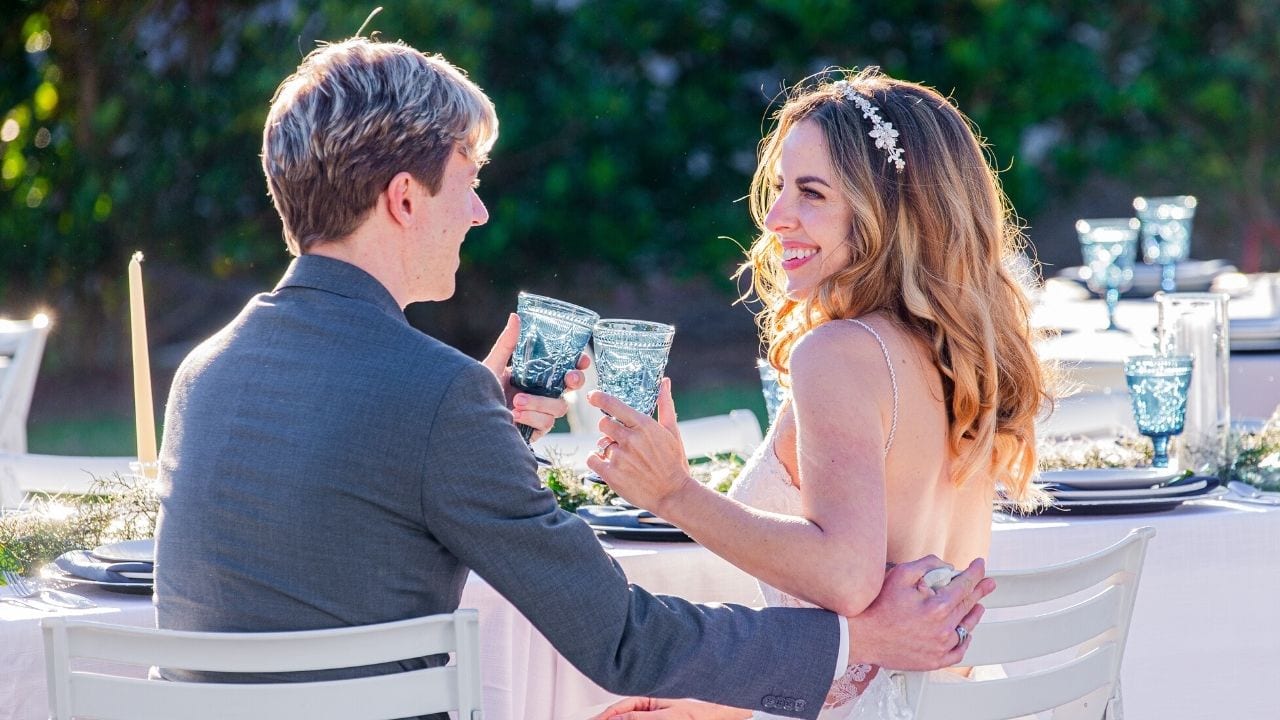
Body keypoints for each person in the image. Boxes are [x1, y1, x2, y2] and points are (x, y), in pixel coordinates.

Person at [153, 40, 993, 720]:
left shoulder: (202, 374)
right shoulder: (439, 396)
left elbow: (339, 533)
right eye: (468, 184)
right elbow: (622, 640)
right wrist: (857, 646)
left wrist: (492, 431)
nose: (479, 214)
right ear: (405, 199)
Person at [587, 67, 1050, 719]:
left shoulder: (839, 354)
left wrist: (674, 494)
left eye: (811, 194)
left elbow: (846, 575)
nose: (776, 219)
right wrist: (715, 708)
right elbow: (876, 662)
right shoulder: (957, 356)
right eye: (780, 189)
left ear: (893, 213)